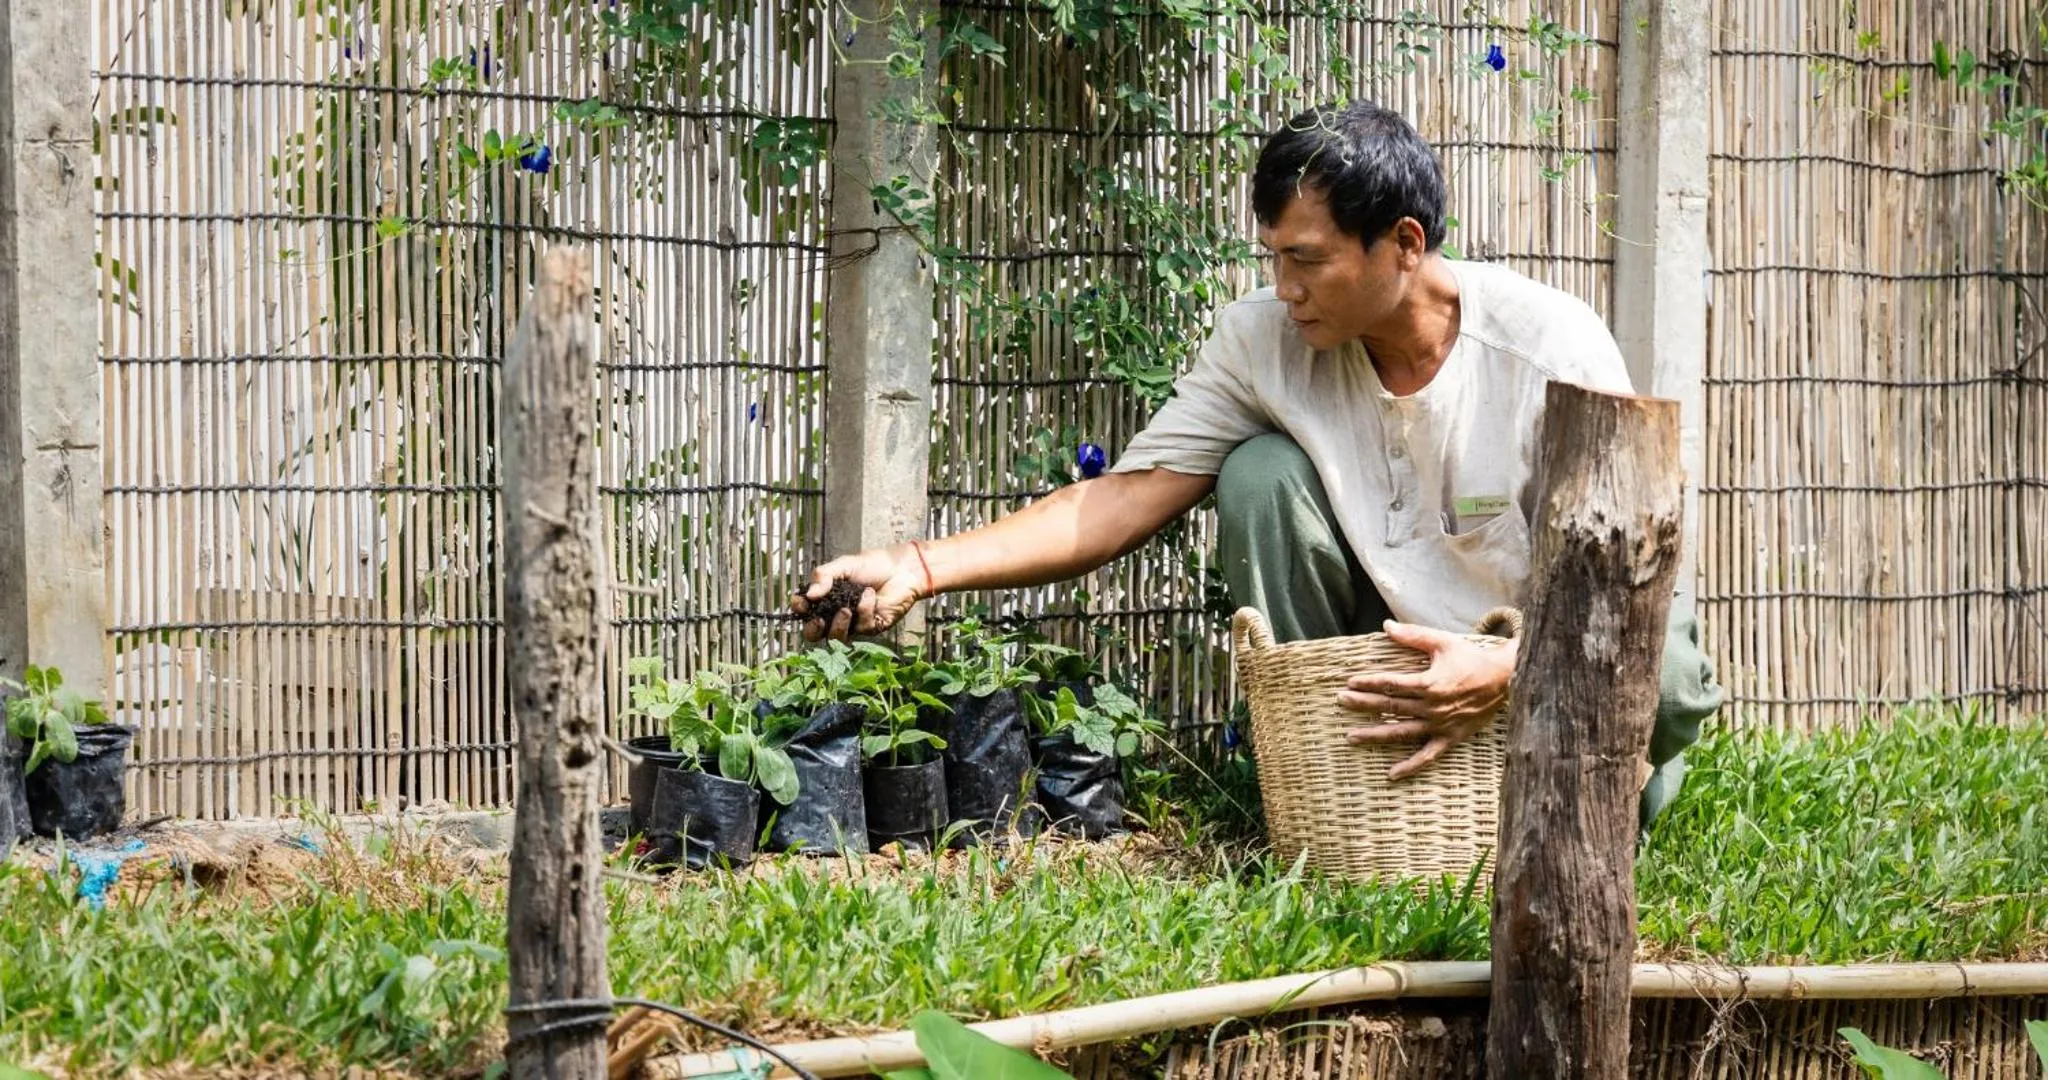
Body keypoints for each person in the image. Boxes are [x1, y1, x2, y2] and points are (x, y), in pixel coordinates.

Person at [793, 100, 1722, 827]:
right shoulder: (1263, 342)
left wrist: (1510, 667)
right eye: (1274, 257)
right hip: (1394, 646)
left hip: (1547, 648)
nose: (1284, 289)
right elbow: (1121, 499)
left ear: (1404, 243)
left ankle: (1613, 798)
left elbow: (1624, 582)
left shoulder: (1549, 347)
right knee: (1261, 476)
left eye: (1307, 261)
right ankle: (1342, 796)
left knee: (1674, 674)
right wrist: (916, 569)